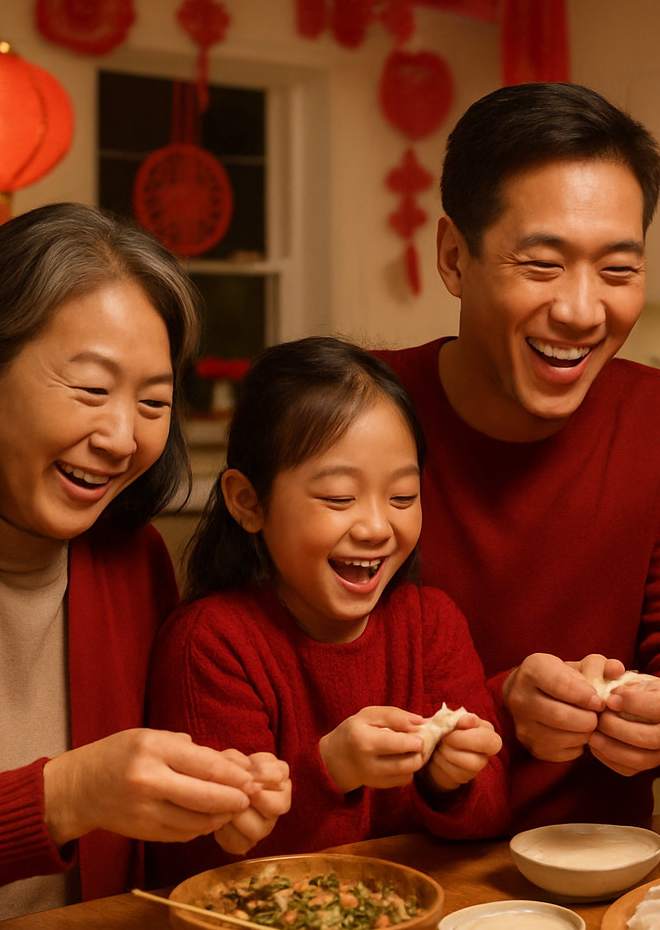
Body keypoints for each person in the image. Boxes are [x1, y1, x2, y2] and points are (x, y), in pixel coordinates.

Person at [0, 204, 289, 930]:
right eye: (88, 389)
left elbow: (145, 859)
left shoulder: (134, 559)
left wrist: (216, 802)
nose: (120, 438)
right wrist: (68, 794)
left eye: (152, 402)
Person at [374, 82, 660, 830]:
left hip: (592, 864)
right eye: (542, 265)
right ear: (453, 257)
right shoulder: (360, 415)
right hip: (376, 866)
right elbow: (287, 671)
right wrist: (497, 700)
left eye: (618, 270)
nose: (580, 311)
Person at [147, 337, 507, 884]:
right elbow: (214, 865)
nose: (376, 527)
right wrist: (330, 770)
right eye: (339, 498)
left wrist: (449, 780)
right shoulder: (213, 644)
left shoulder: (430, 624)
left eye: (403, 498)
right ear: (248, 502)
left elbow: (493, 812)